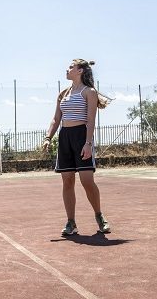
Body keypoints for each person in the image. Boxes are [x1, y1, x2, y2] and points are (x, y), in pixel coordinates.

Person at [42, 59, 111, 236]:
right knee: (67, 181)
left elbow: (90, 121)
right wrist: (48, 137)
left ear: (80, 71)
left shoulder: (89, 92)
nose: (67, 69)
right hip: (65, 137)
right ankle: (71, 222)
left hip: (82, 136)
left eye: (71, 67)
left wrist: (88, 143)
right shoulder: (63, 94)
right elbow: (56, 119)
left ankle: (99, 215)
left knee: (87, 181)